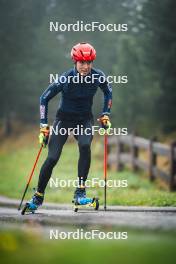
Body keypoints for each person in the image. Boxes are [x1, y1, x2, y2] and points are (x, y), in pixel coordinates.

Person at [28, 42, 112, 210]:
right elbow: (43, 98)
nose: (86, 66)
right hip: (63, 120)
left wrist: (105, 114)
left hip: (84, 120)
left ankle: (80, 192)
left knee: (85, 145)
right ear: (75, 62)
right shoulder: (65, 79)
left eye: (89, 62)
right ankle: (38, 196)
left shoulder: (98, 76)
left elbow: (108, 92)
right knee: (52, 158)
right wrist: (43, 126)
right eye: (82, 62)